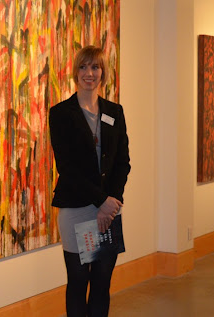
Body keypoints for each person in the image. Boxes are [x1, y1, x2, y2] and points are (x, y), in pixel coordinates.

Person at [49, 45, 131, 317]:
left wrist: (112, 201)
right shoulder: (61, 113)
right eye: (83, 67)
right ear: (76, 72)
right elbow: (68, 168)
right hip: (77, 208)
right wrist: (102, 201)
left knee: (101, 283)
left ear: (103, 72)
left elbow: (122, 162)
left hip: (108, 211)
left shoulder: (114, 112)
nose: (89, 73)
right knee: (78, 282)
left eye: (95, 67)